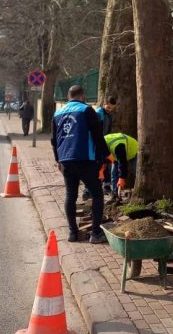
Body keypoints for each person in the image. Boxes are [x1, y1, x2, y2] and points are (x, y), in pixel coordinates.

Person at [51, 85, 109, 243]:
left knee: (70, 195)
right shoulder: (86, 110)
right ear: (82, 96)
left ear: (69, 97)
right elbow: (98, 135)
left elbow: (53, 140)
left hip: (65, 160)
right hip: (85, 159)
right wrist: (106, 154)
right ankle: (96, 234)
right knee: (97, 194)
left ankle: (72, 233)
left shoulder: (57, 113)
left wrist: (57, 159)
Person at [104, 132, 138, 197]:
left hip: (134, 151)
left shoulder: (118, 147)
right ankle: (115, 195)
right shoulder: (102, 143)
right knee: (114, 173)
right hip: (116, 153)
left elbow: (122, 162)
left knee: (137, 171)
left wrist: (122, 178)